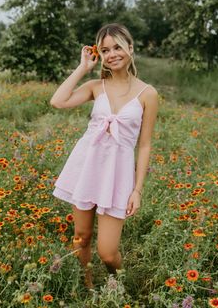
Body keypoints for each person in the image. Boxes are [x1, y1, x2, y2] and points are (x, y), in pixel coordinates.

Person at [50, 23, 158, 289]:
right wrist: (83, 68)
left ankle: (115, 282)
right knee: (81, 236)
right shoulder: (96, 86)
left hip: (117, 175)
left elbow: (144, 145)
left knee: (108, 252)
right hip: (87, 167)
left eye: (118, 47)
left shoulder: (148, 93)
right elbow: (58, 101)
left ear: (130, 49)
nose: (112, 54)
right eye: (105, 49)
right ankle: (87, 286)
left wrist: (138, 190)